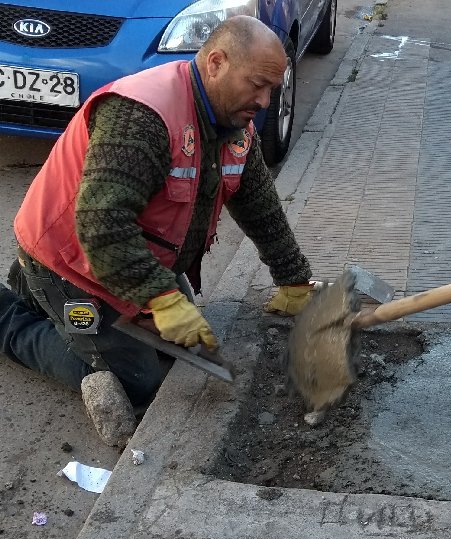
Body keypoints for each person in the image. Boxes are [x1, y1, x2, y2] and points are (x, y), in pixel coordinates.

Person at [1, 16, 314, 448]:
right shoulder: (142, 116)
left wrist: (292, 277)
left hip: (132, 261)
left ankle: (43, 299)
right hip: (69, 258)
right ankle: (13, 311)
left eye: (271, 89)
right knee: (138, 380)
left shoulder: (233, 127)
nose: (264, 100)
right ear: (217, 63)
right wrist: (160, 296)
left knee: (182, 350)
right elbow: (100, 222)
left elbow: (259, 205)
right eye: (257, 84)